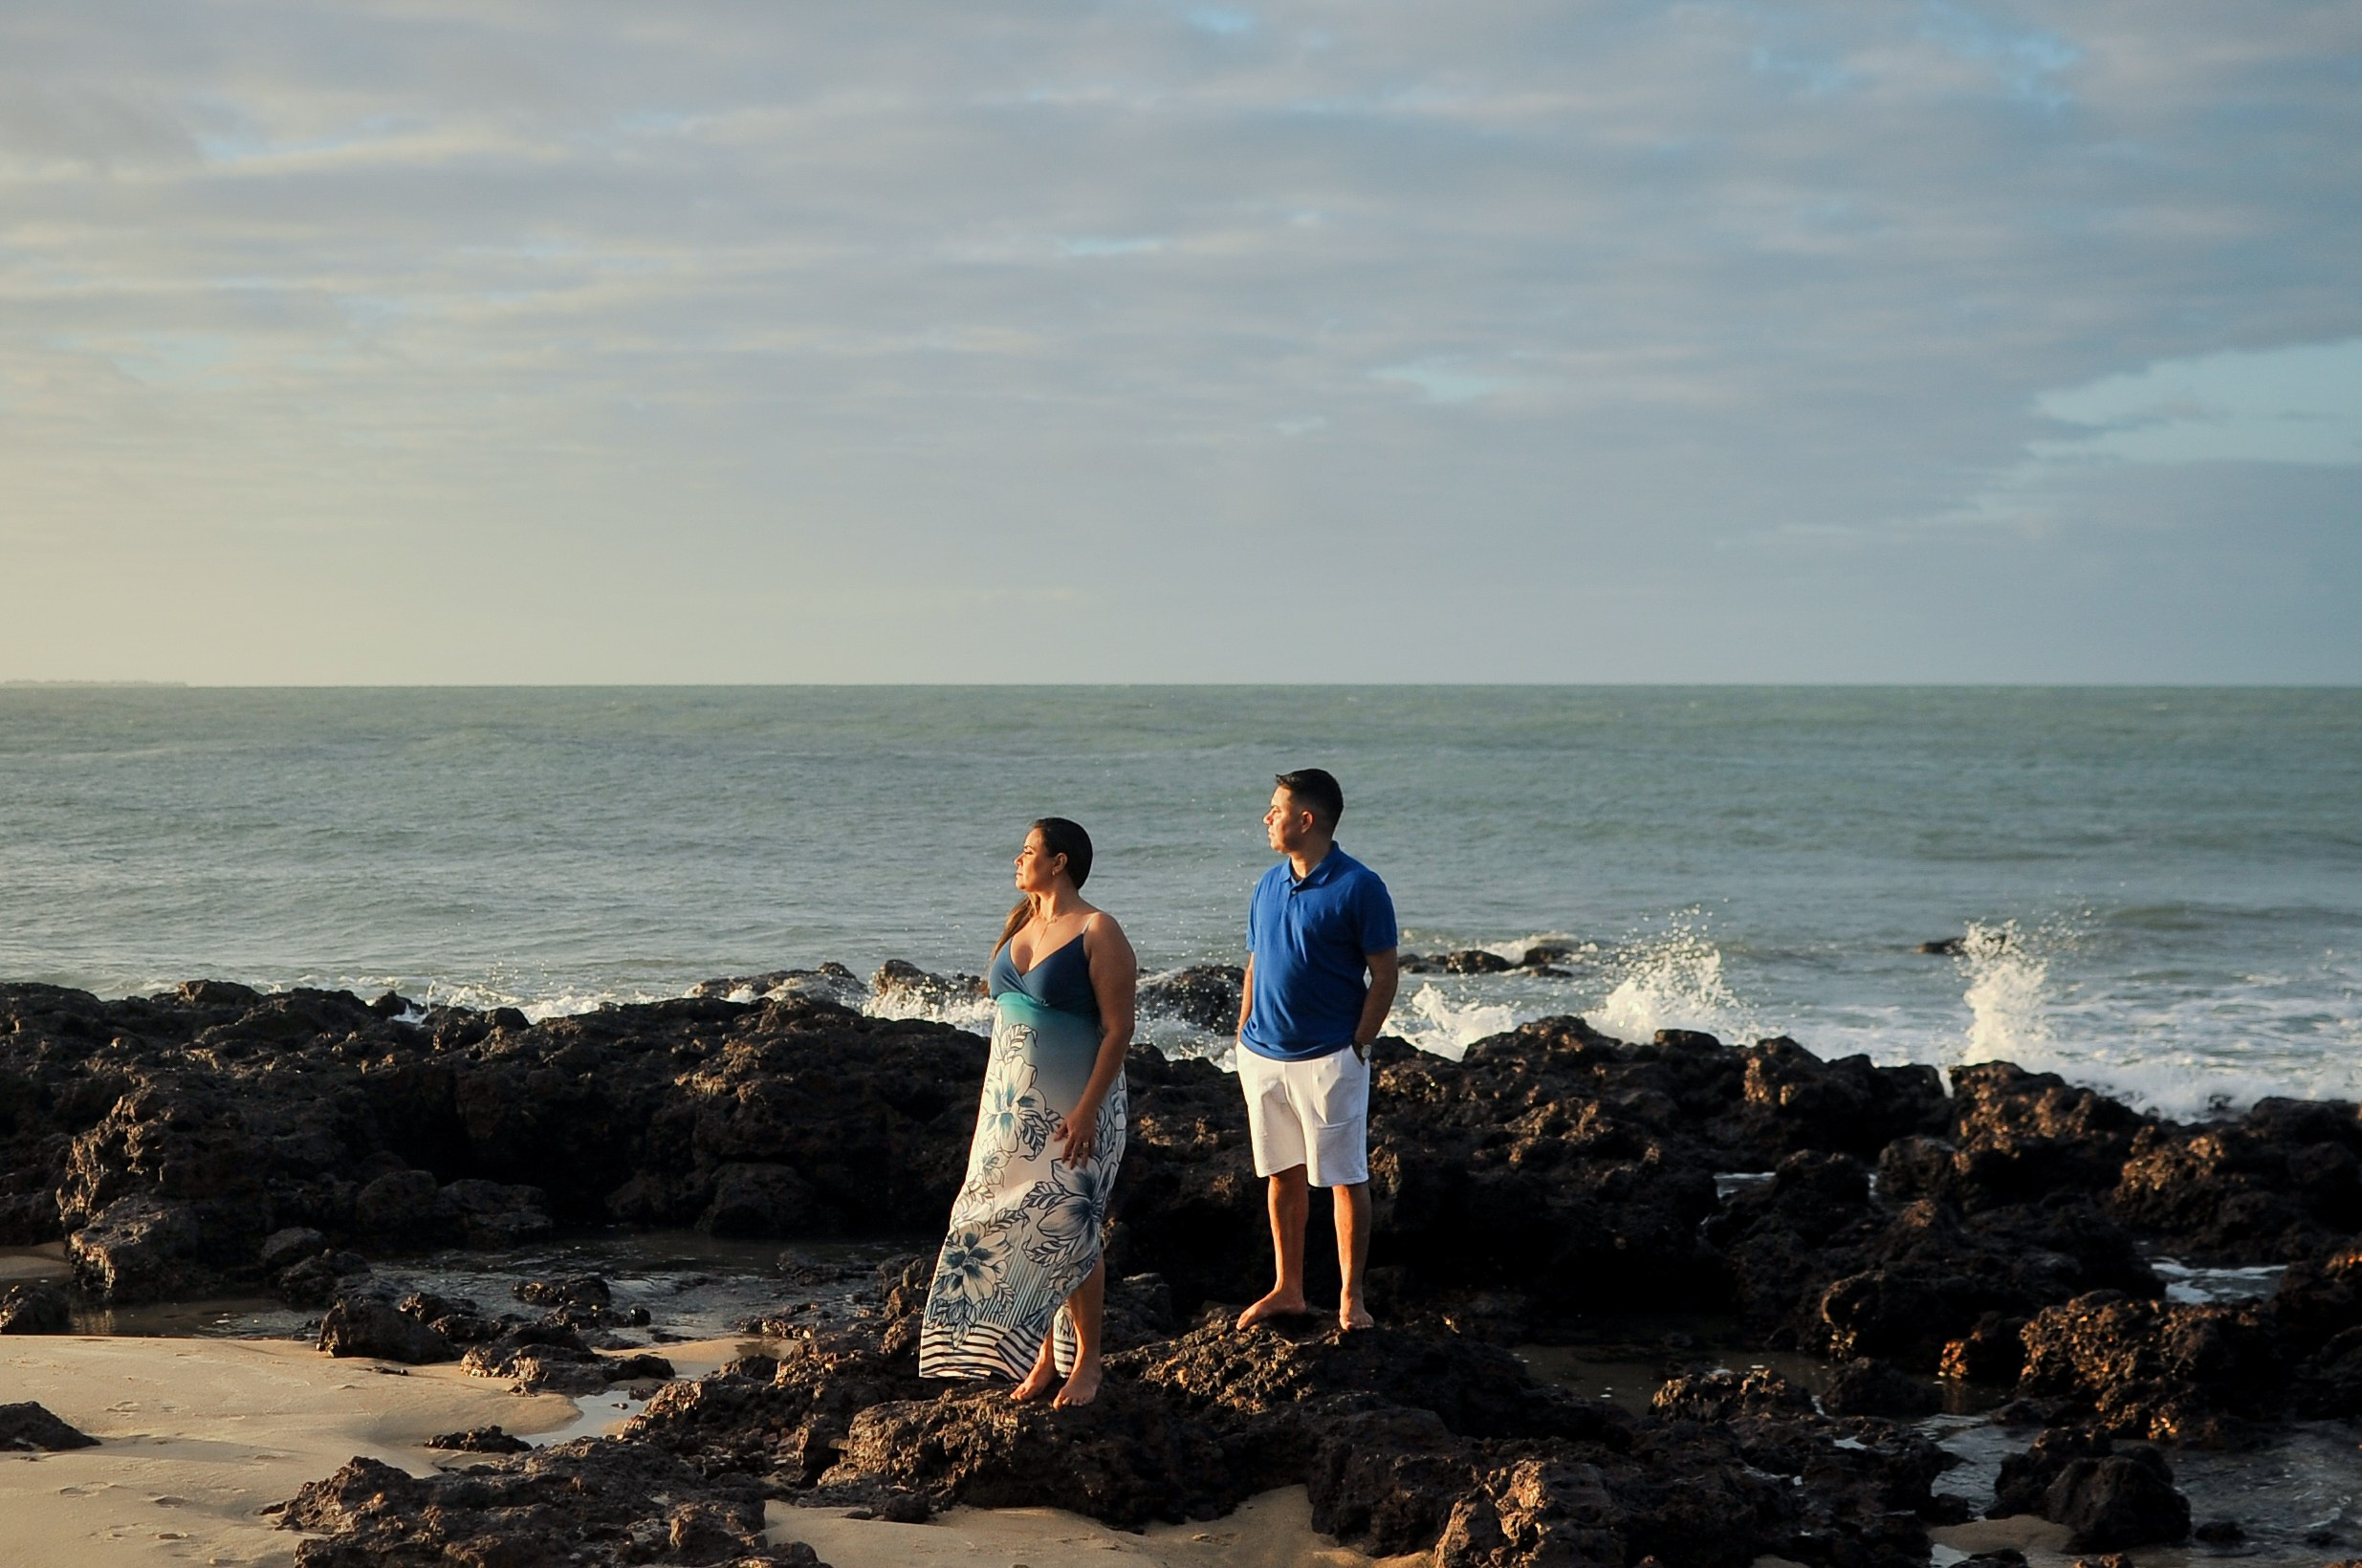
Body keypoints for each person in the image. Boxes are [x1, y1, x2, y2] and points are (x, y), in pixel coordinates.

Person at [919, 817, 1137, 1407]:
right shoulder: (1021, 922)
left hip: (1077, 1106)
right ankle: (1041, 1355)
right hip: (1010, 1111)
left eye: (1028, 851)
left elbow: (1119, 1030)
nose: (1017, 860)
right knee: (1012, 1225)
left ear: (1059, 862)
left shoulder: (1098, 929)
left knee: (1069, 1224)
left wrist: (1088, 1110)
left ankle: (1087, 1361)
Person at [1233, 769, 1399, 1333]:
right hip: (1263, 1055)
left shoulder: (1360, 886)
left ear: (1306, 820)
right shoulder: (1267, 884)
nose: (1267, 818)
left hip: (1330, 1056)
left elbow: (1384, 974)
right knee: (1281, 1174)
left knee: (1345, 1177)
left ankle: (1352, 1299)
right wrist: (1243, 1030)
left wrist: (1360, 1043)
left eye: (1276, 810)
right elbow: (1256, 960)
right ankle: (1289, 1288)